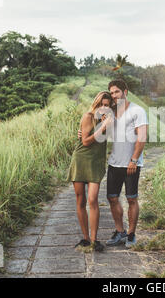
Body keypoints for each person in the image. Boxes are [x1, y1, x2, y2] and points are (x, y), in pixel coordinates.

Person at [67, 91, 115, 252]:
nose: (103, 107)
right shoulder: (88, 116)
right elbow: (86, 142)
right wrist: (101, 128)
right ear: (96, 103)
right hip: (81, 159)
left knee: (93, 199)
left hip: (96, 162)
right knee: (80, 199)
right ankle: (86, 238)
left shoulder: (108, 119)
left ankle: (95, 240)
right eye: (101, 104)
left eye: (107, 105)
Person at [104, 79, 149, 248]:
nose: (114, 95)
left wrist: (134, 160)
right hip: (114, 163)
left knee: (131, 199)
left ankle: (131, 234)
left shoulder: (137, 111)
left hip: (131, 164)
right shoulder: (111, 112)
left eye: (117, 92)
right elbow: (97, 128)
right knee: (112, 198)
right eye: (112, 93)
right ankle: (120, 232)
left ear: (125, 91)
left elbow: (142, 137)